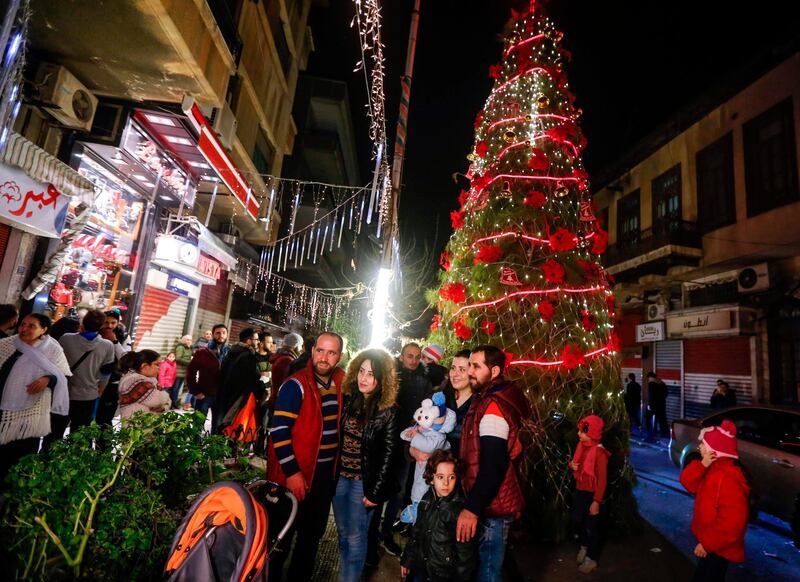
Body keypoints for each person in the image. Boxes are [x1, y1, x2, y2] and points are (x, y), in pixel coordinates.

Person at [265, 332, 345, 582]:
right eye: (320, 350)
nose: (324, 357)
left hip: (323, 476)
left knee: (310, 540)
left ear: (339, 357)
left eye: (331, 353)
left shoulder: (341, 384)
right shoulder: (296, 385)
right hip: (295, 475)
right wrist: (292, 473)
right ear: (312, 352)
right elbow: (278, 431)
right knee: (280, 540)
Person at [456, 345, 531, 582]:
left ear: (495, 370)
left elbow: (493, 466)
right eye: (470, 365)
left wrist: (472, 508)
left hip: (494, 505)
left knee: (488, 571)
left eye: (476, 366)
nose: (470, 371)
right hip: (491, 502)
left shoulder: (492, 408)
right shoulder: (490, 396)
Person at [333, 348, 400, 582]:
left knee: (356, 537)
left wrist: (375, 492)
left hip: (364, 483)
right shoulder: (349, 398)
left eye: (371, 374)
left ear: (382, 379)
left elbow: (390, 456)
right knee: (342, 534)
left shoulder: (388, 411)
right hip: (340, 478)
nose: (363, 378)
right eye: (361, 371)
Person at [376, 342, 434, 556]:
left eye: (416, 356)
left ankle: (384, 534)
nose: (412, 360)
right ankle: (374, 535)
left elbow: (426, 413)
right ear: (401, 356)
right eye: (409, 355)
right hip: (388, 440)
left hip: (409, 442)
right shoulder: (391, 377)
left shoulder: (424, 381)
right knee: (380, 488)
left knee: (399, 492)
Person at [0, 314, 70, 483]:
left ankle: (15, 494)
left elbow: (62, 376)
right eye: (22, 324)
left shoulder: (53, 349)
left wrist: (47, 379)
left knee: (22, 456)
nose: (24, 329)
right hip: (1, 408)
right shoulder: (6, 345)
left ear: (43, 329)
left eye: (31, 326)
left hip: (31, 412)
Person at [680, 420, 750, 581]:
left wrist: (707, 544)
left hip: (718, 546)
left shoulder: (728, 478)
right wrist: (702, 465)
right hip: (713, 542)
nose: (699, 447)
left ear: (715, 450)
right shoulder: (712, 468)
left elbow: (732, 523)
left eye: (703, 444)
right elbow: (687, 482)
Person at [400, 449, 478, 582]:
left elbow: (465, 556)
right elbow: (416, 533)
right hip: (421, 569)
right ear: (431, 478)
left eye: (451, 477)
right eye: (440, 477)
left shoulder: (460, 511)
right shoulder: (426, 500)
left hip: (442, 575)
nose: (446, 483)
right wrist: (407, 560)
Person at [50, 310, 115, 444]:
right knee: (79, 437)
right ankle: (74, 463)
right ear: (101, 326)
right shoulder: (107, 345)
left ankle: (47, 461)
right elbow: (105, 372)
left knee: (54, 432)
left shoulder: (66, 338)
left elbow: (56, 363)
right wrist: (100, 390)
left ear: (82, 323)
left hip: (63, 394)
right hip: (88, 397)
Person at [569, 415, 610, 574]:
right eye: (579, 430)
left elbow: (602, 481)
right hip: (580, 490)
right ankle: (584, 545)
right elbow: (576, 464)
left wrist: (596, 501)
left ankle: (591, 558)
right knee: (576, 520)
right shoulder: (582, 447)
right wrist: (571, 465)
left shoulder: (599, 453)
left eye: (582, 431)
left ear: (591, 433)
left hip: (592, 495)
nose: (579, 434)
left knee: (592, 527)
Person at [215, 327, 265, 435]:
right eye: (256, 339)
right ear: (248, 340)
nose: (258, 342)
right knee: (234, 427)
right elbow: (252, 378)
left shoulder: (232, 351)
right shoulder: (248, 356)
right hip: (239, 396)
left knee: (224, 425)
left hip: (227, 394)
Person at [185, 324, 229, 429]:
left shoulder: (230, 353)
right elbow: (191, 372)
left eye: (223, 333)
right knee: (197, 425)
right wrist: (195, 391)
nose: (221, 335)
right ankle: (195, 445)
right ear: (213, 334)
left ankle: (214, 445)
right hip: (204, 394)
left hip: (221, 396)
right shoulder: (202, 352)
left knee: (218, 427)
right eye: (218, 333)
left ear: (227, 335)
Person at [117, 350, 171, 418]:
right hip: (134, 426)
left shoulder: (151, 380)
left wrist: (164, 407)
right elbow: (158, 400)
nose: (159, 368)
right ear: (144, 366)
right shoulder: (132, 380)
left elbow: (166, 401)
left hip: (148, 424)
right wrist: (165, 398)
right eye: (157, 365)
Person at [443, 349, 473, 455]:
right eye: (453, 368)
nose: (455, 374)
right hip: (434, 465)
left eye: (462, 369)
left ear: (472, 372)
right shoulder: (440, 396)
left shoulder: (478, 403)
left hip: (463, 466)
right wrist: (411, 450)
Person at [646, 371, 669, 438]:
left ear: (651, 377)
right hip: (662, 404)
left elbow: (651, 395)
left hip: (654, 405)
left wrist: (650, 405)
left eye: (649, 378)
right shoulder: (662, 383)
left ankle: (650, 434)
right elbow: (666, 393)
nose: (649, 379)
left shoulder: (651, 384)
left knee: (647, 418)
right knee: (662, 419)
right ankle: (664, 433)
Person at [174, 335, 194, 410]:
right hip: (179, 371)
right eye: (187, 339)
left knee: (180, 388)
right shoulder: (180, 347)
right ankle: (174, 403)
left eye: (190, 340)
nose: (189, 341)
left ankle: (176, 402)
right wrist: (190, 362)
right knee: (176, 388)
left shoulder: (188, 348)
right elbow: (178, 358)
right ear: (183, 340)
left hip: (185, 371)